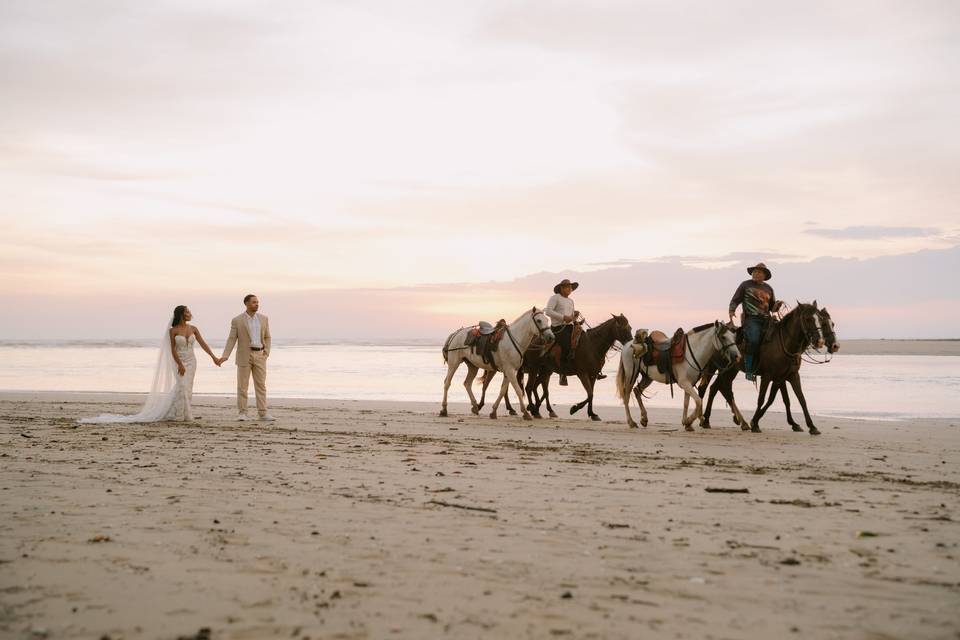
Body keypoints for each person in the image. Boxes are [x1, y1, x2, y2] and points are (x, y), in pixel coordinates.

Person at [80, 305, 221, 423]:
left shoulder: (193, 329)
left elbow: (203, 344)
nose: (190, 314)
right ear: (181, 314)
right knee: (182, 386)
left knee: (187, 387)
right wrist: (179, 364)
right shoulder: (173, 331)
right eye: (187, 312)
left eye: (189, 312)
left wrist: (214, 357)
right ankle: (180, 415)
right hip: (179, 361)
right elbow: (172, 349)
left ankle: (184, 414)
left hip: (192, 361)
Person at [221, 294, 274, 421]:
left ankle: (263, 413)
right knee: (242, 386)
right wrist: (225, 355)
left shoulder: (264, 319)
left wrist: (266, 352)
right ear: (246, 304)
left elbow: (267, 336)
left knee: (261, 385)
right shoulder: (237, 320)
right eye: (254, 302)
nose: (257, 304)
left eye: (258, 302)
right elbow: (232, 338)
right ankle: (242, 413)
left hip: (260, 355)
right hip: (244, 355)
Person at [729, 262, 782, 381]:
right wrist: (732, 310)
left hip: (766, 319)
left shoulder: (769, 288)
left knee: (780, 335)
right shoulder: (745, 285)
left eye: (759, 272)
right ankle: (749, 370)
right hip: (751, 319)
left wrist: (777, 305)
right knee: (753, 340)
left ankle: (776, 364)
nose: (756, 274)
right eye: (755, 272)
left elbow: (772, 308)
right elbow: (735, 300)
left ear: (764, 275)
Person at [545, 279, 578, 386]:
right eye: (567, 287)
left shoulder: (571, 301)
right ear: (561, 288)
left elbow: (571, 316)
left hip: (570, 327)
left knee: (583, 341)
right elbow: (548, 311)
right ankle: (562, 373)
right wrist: (563, 317)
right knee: (566, 345)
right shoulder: (555, 298)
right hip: (558, 328)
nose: (570, 289)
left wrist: (574, 317)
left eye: (571, 287)